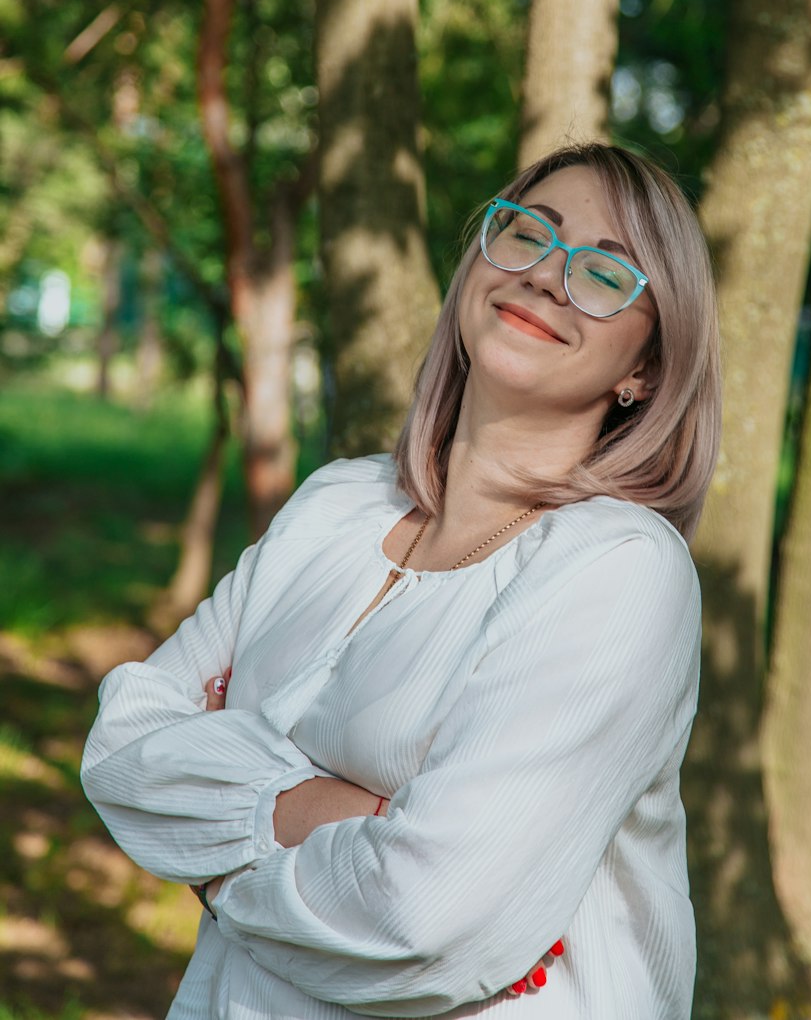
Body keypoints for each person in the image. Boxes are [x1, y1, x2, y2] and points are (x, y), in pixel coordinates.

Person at [82, 141, 721, 1020]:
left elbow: (423, 920)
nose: (546, 274)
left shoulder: (618, 572)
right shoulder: (336, 505)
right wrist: (335, 816)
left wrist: (213, 846)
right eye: (530, 232)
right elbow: (123, 746)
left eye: (608, 274)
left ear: (645, 369)